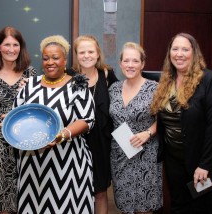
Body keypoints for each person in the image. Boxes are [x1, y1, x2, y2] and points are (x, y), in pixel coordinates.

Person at [13, 35, 95, 213]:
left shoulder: (78, 85)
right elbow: (17, 115)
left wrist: (63, 134)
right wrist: (9, 120)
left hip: (68, 164)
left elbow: (87, 119)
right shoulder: (29, 85)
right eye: (45, 58)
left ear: (65, 60)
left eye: (55, 57)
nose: (50, 62)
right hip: (32, 166)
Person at [151, 32, 212, 213]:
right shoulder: (166, 81)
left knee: (200, 208)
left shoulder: (209, 80)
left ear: (194, 53)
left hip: (200, 162)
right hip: (174, 160)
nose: (179, 54)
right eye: (175, 49)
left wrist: (206, 164)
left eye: (185, 49)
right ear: (169, 53)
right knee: (178, 205)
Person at [0, 26, 36, 214]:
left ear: (21, 47)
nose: (11, 49)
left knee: (26, 192)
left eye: (15, 44)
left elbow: (40, 108)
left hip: (25, 141)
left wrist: (29, 93)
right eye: (7, 45)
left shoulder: (31, 74)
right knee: (1, 198)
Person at [109, 42, 163, 214]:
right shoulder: (114, 89)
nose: (130, 65)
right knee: (125, 206)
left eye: (135, 61)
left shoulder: (155, 89)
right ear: (120, 64)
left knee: (144, 207)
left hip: (146, 155)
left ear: (142, 64)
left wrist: (148, 132)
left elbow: (166, 119)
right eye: (126, 61)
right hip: (120, 155)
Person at [71, 35, 118, 214]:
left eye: (91, 51)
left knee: (100, 192)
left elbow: (121, 103)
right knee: (75, 191)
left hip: (101, 142)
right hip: (76, 142)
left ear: (98, 54)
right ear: (76, 55)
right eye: (82, 52)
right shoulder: (69, 76)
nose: (87, 55)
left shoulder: (107, 74)